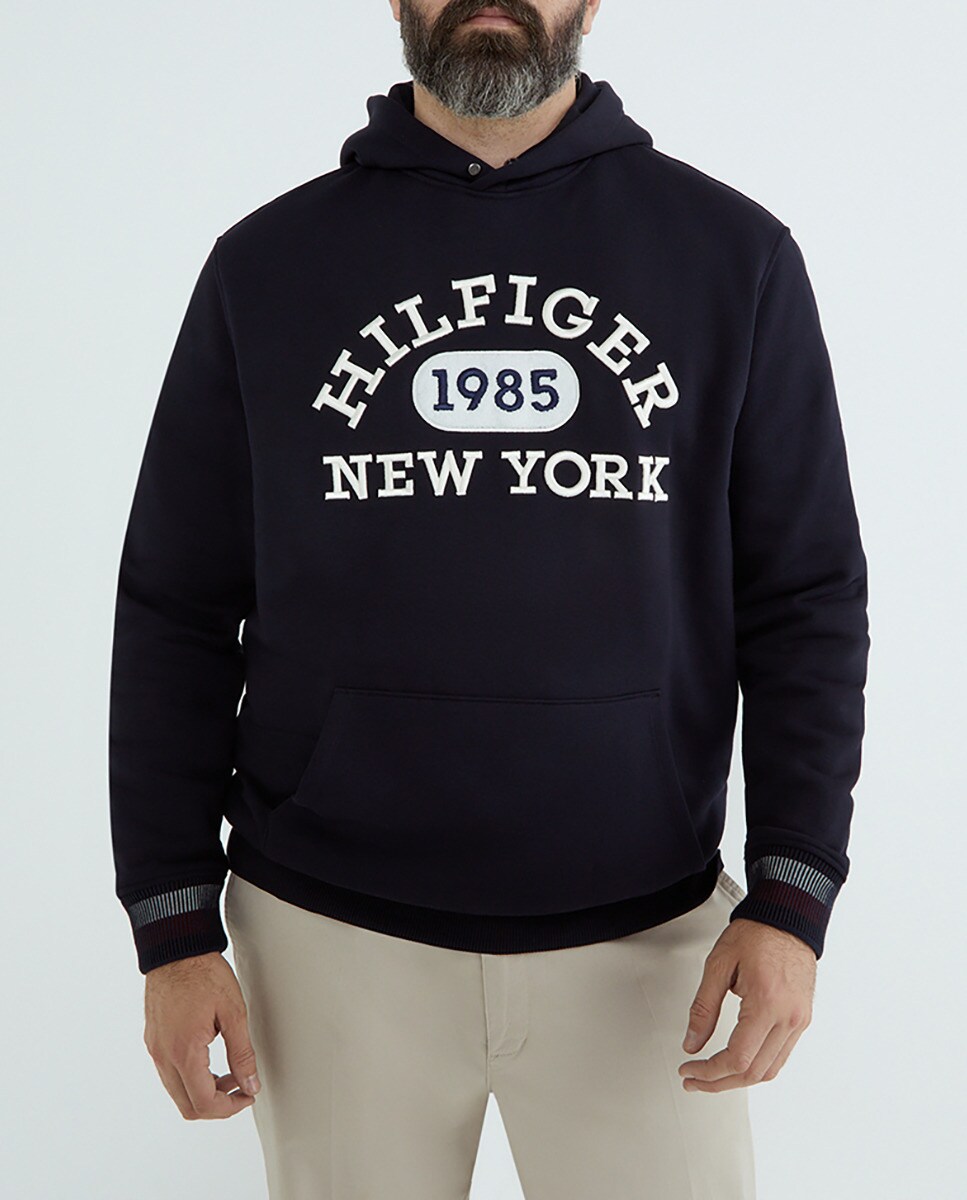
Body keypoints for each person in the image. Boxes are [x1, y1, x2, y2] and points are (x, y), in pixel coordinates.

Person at [108, 1, 871, 1196]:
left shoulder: (731, 256)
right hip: (328, 942)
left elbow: (805, 599)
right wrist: (171, 927)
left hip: (649, 942)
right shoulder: (267, 265)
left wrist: (790, 898)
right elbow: (177, 605)